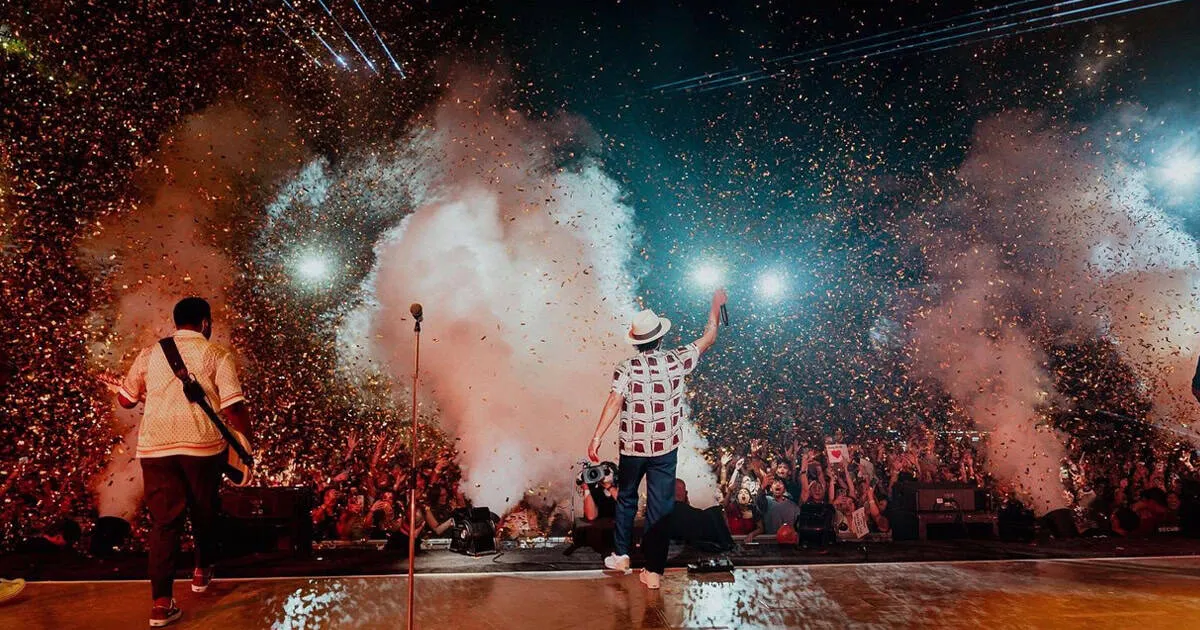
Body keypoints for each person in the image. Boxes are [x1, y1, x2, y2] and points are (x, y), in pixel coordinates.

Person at [117, 297, 252, 628]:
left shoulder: (150, 353)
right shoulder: (216, 354)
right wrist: (247, 443)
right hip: (201, 446)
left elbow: (125, 399)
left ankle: (161, 605)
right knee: (204, 509)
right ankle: (201, 570)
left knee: (165, 524)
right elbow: (234, 406)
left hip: (156, 448)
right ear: (205, 323)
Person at [587, 289, 726, 590]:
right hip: (664, 448)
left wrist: (597, 436)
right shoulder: (676, 360)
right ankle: (653, 572)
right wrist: (715, 306)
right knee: (660, 508)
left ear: (637, 342)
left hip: (633, 448)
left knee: (626, 499)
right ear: (660, 338)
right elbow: (709, 337)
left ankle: (622, 555)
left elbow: (614, 401)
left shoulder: (627, 366)